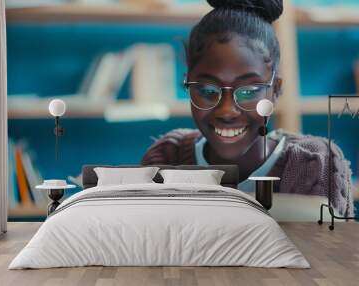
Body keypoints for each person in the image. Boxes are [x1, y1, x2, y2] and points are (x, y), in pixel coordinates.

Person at [141, 0, 354, 217]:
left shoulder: (314, 163)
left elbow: (327, 248)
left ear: (276, 90)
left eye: (249, 91)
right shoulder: (166, 157)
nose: (226, 111)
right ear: (187, 85)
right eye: (207, 90)